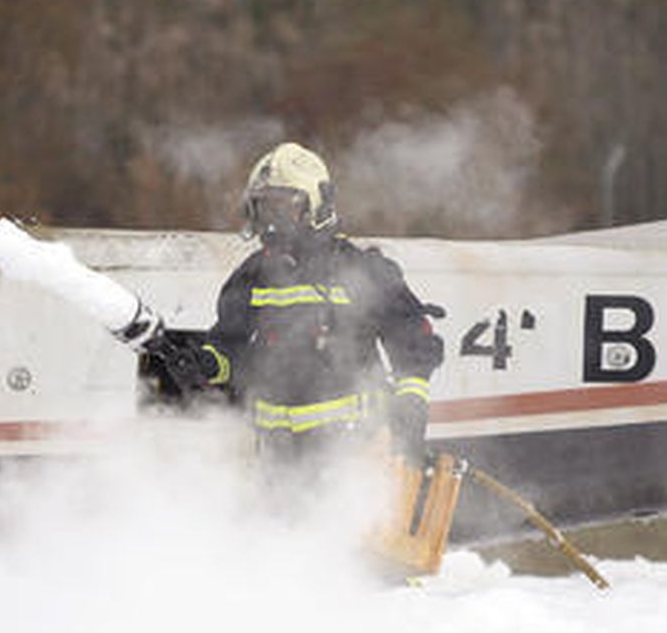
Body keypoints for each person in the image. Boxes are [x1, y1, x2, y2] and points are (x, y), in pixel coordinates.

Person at [121, 141, 444, 470]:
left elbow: (413, 338)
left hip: (353, 458)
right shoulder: (252, 276)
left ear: (317, 206)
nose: (272, 221)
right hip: (275, 459)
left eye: (283, 207)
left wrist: (411, 404)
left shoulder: (362, 271)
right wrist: (204, 363)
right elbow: (229, 348)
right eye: (263, 208)